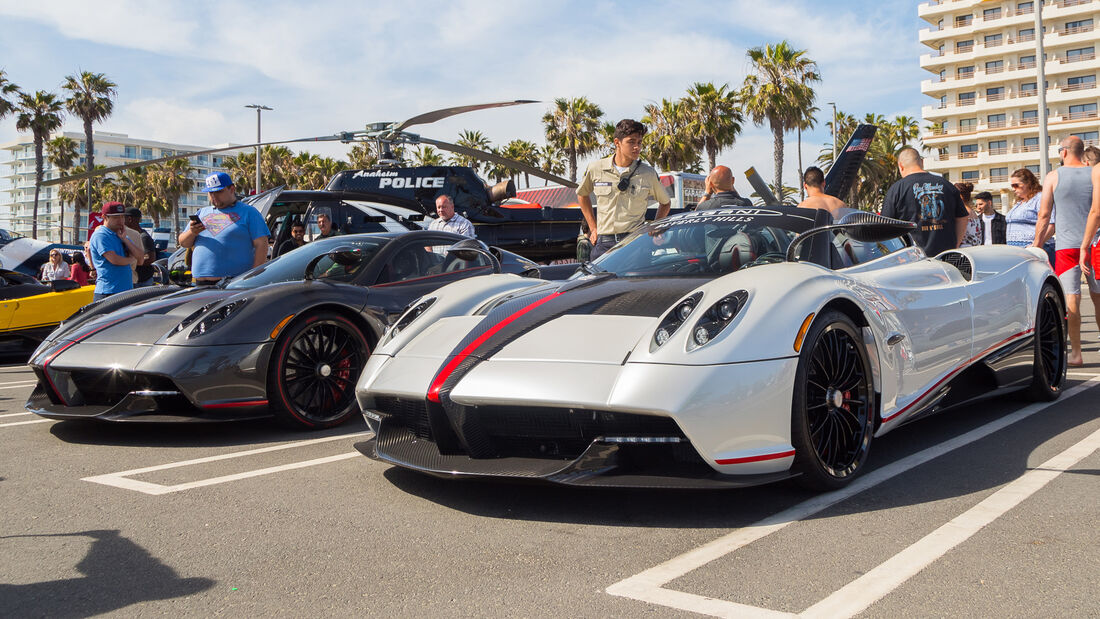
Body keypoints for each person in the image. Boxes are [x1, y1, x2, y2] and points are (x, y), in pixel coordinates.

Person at [1033, 136, 1095, 366]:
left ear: (1064, 152)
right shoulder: (1095, 174)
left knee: (1072, 299)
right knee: (1098, 300)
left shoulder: (1053, 176)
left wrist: (1037, 244)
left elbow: (1045, 216)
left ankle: (1076, 353)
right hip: (1094, 243)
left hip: (1067, 246)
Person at [577, 119, 671, 260]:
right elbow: (582, 195)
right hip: (604, 245)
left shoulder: (648, 173)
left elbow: (665, 202)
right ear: (617, 142)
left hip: (635, 245)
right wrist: (593, 227)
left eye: (639, 142)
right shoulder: (596, 169)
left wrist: (654, 228)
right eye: (631, 142)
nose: (637, 147)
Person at [178, 172, 269, 285]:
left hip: (234, 283)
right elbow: (183, 242)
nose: (214, 196)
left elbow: (262, 244)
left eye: (219, 191)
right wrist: (192, 232)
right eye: (211, 193)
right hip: (200, 283)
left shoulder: (249, 212)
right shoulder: (202, 213)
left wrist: (253, 276)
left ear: (232, 189)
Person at [881, 147, 968, 256]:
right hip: (946, 258)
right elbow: (963, 217)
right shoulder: (946, 185)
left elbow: (884, 227)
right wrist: (954, 245)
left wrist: (897, 254)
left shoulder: (896, 190)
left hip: (912, 259)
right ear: (921, 162)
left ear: (901, 166)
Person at [88, 202, 144, 301]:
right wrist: (131, 259)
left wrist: (125, 239)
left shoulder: (120, 234)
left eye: (122, 217)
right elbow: (114, 260)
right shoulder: (101, 235)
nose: (120, 220)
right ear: (104, 217)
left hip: (125, 290)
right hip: (108, 292)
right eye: (116, 217)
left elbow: (140, 257)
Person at [1005, 168, 1054, 264]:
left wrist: (1035, 245)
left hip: (1034, 250)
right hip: (1017, 251)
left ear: (1028, 183)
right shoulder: (1019, 203)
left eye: (1016, 185)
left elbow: (1051, 224)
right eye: (1012, 186)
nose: (1014, 189)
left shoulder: (1040, 198)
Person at [125, 208, 157, 287]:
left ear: (129, 219)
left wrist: (132, 262)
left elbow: (150, 258)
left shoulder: (143, 237)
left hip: (143, 282)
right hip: (136, 280)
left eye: (123, 218)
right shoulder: (129, 236)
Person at [954, 182, 982, 248]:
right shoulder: (973, 212)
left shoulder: (962, 213)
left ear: (960, 196)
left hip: (963, 253)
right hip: (974, 251)